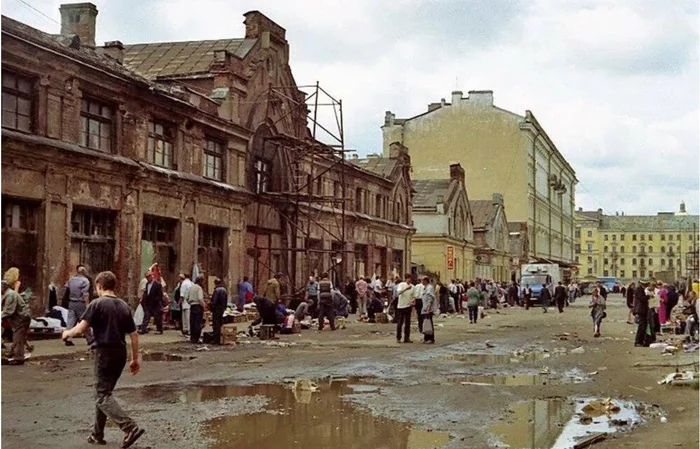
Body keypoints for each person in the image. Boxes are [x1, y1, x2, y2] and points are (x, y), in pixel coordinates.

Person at [61, 271, 145, 448]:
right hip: (120, 353)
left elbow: (82, 328)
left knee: (102, 395)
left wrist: (67, 333)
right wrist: (134, 358)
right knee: (104, 393)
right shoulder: (123, 305)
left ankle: (130, 427)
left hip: (104, 353)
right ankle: (97, 434)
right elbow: (134, 334)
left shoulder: (97, 304)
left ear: (99, 285)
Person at [1, 279, 31, 365]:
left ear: (2, 288)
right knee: (17, 337)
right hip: (20, 318)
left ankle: (19, 358)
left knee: (18, 336)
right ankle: (16, 355)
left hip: (21, 318)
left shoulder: (10, 295)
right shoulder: (8, 294)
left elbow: (8, 311)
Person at [65, 265, 92, 346]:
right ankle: (90, 338)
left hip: (71, 302)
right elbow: (85, 294)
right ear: (84, 272)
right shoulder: (85, 281)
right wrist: (87, 305)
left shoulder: (71, 280)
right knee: (85, 320)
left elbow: (67, 289)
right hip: (81, 303)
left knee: (70, 321)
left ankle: (67, 337)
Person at [186, 276, 205, 344]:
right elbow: (200, 298)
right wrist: (203, 305)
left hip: (192, 306)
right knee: (198, 323)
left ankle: (192, 337)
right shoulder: (199, 288)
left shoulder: (191, 287)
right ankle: (197, 338)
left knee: (192, 322)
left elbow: (186, 298)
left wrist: (190, 303)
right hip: (198, 306)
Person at [395, 274, 414, 343]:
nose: (409, 280)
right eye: (408, 278)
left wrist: (412, 301)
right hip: (401, 306)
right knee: (400, 322)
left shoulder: (412, 286)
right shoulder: (401, 285)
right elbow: (398, 293)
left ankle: (407, 338)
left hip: (408, 306)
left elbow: (413, 295)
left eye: (410, 279)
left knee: (408, 323)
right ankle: (398, 337)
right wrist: (406, 289)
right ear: (405, 279)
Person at [210, 278, 227, 345]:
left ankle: (216, 339)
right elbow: (225, 300)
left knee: (216, 324)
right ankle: (220, 338)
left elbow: (214, 301)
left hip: (216, 309)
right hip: (222, 309)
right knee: (220, 323)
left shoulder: (217, 290)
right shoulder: (224, 290)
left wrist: (211, 306)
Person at [420, 277, 437, 344]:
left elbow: (430, 298)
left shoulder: (429, 288)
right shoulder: (425, 287)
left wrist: (428, 306)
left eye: (422, 280)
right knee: (426, 323)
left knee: (429, 323)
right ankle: (426, 338)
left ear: (425, 281)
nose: (421, 282)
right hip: (425, 308)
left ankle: (431, 338)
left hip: (428, 308)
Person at [634, 281, 650, 347]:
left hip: (642, 310)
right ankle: (638, 341)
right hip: (641, 310)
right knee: (641, 326)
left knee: (643, 326)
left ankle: (641, 340)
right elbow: (642, 298)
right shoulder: (639, 289)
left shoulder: (639, 288)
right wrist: (648, 296)